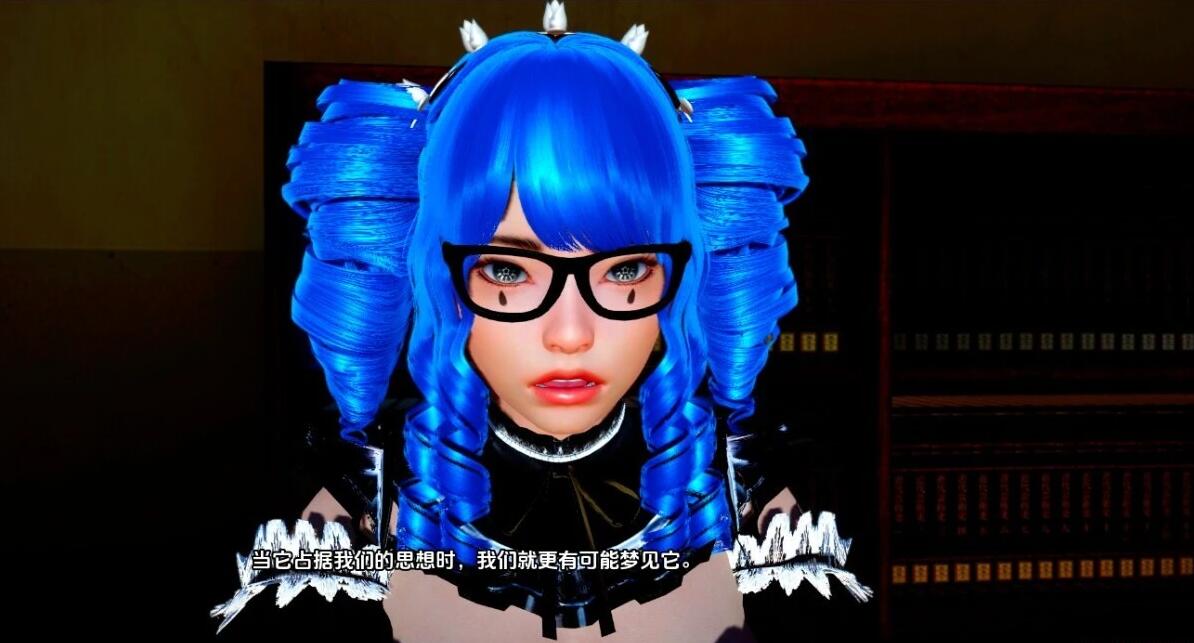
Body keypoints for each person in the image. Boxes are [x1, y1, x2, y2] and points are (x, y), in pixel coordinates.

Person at [213, 4, 870, 641]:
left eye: (624, 270)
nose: (570, 334)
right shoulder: (351, 499)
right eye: (508, 271)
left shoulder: (755, 492)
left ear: (681, 278)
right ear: (438, 277)